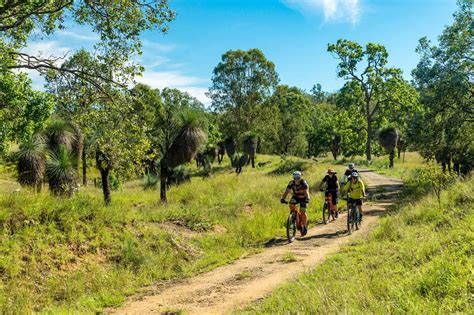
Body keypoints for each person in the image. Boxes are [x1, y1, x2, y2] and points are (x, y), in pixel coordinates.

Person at [281, 171, 310, 235]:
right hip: (296, 197)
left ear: (300, 177)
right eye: (295, 177)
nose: (296, 179)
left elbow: (306, 191)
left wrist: (307, 199)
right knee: (291, 205)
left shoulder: (303, 182)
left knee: (303, 212)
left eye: (298, 177)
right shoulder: (291, 183)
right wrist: (283, 198)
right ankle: (294, 217)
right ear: (293, 177)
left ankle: (304, 226)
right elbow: (287, 191)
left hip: (303, 197)